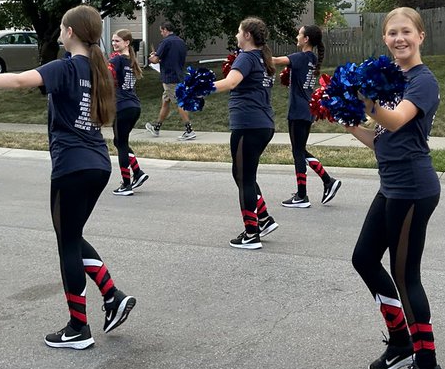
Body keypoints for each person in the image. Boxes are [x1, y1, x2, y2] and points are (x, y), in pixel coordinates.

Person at [0, 4, 136, 348]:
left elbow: (18, 80)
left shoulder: (67, 66)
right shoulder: (97, 67)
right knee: (72, 236)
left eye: (61, 26)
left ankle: (78, 327)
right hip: (98, 164)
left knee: (67, 242)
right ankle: (112, 296)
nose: (58, 31)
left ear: (70, 32)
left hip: (71, 166)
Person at [347, 8, 445, 369]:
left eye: (406, 31)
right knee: (363, 259)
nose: (399, 38)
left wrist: (366, 101)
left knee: (407, 276)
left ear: (421, 36)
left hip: (413, 188)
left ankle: (427, 367)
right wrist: (348, 120)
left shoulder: (422, 81)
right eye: (392, 33)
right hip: (391, 183)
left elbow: (396, 121)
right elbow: (382, 140)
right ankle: (401, 340)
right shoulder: (394, 80)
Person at [208, 17, 277, 249]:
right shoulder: (260, 57)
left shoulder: (246, 57)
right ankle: (264, 219)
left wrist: (200, 88)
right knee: (243, 175)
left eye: (238, 31)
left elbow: (230, 82)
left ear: (247, 35)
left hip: (249, 125)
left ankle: (251, 233)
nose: (236, 35)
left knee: (244, 177)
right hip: (262, 124)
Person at [271, 24, 341, 209]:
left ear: (306, 39)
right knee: (299, 150)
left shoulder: (301, 57)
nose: (297, 36)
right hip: (306, 109)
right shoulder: (310, 58)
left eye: (299, 34)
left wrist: (255, 56)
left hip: (298, 111)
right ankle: (323, 184)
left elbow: (277, 60)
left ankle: (308, 192)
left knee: (298, 152)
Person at [109, 29, 149, 196]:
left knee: (121, 143)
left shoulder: (117, 59)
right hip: (134, 106)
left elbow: (107, 76)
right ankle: (138, 173)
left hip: (122, 107)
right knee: (120, 142)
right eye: (113, 41)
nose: (114, 43)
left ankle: (126, 184)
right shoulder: (130, 60)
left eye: (117, 41)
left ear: (126, 43)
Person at [145, 22, 195, 141]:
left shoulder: (166, 42)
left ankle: (190, 130)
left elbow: (156, 59)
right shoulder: (181, 42)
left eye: (161, 31)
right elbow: (172, 58)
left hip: (169, 78)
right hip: (179, 75)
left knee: (179, 102)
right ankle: (156, 128)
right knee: (165, 102)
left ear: (166, 30)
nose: (161, 33)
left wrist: (152, 58)